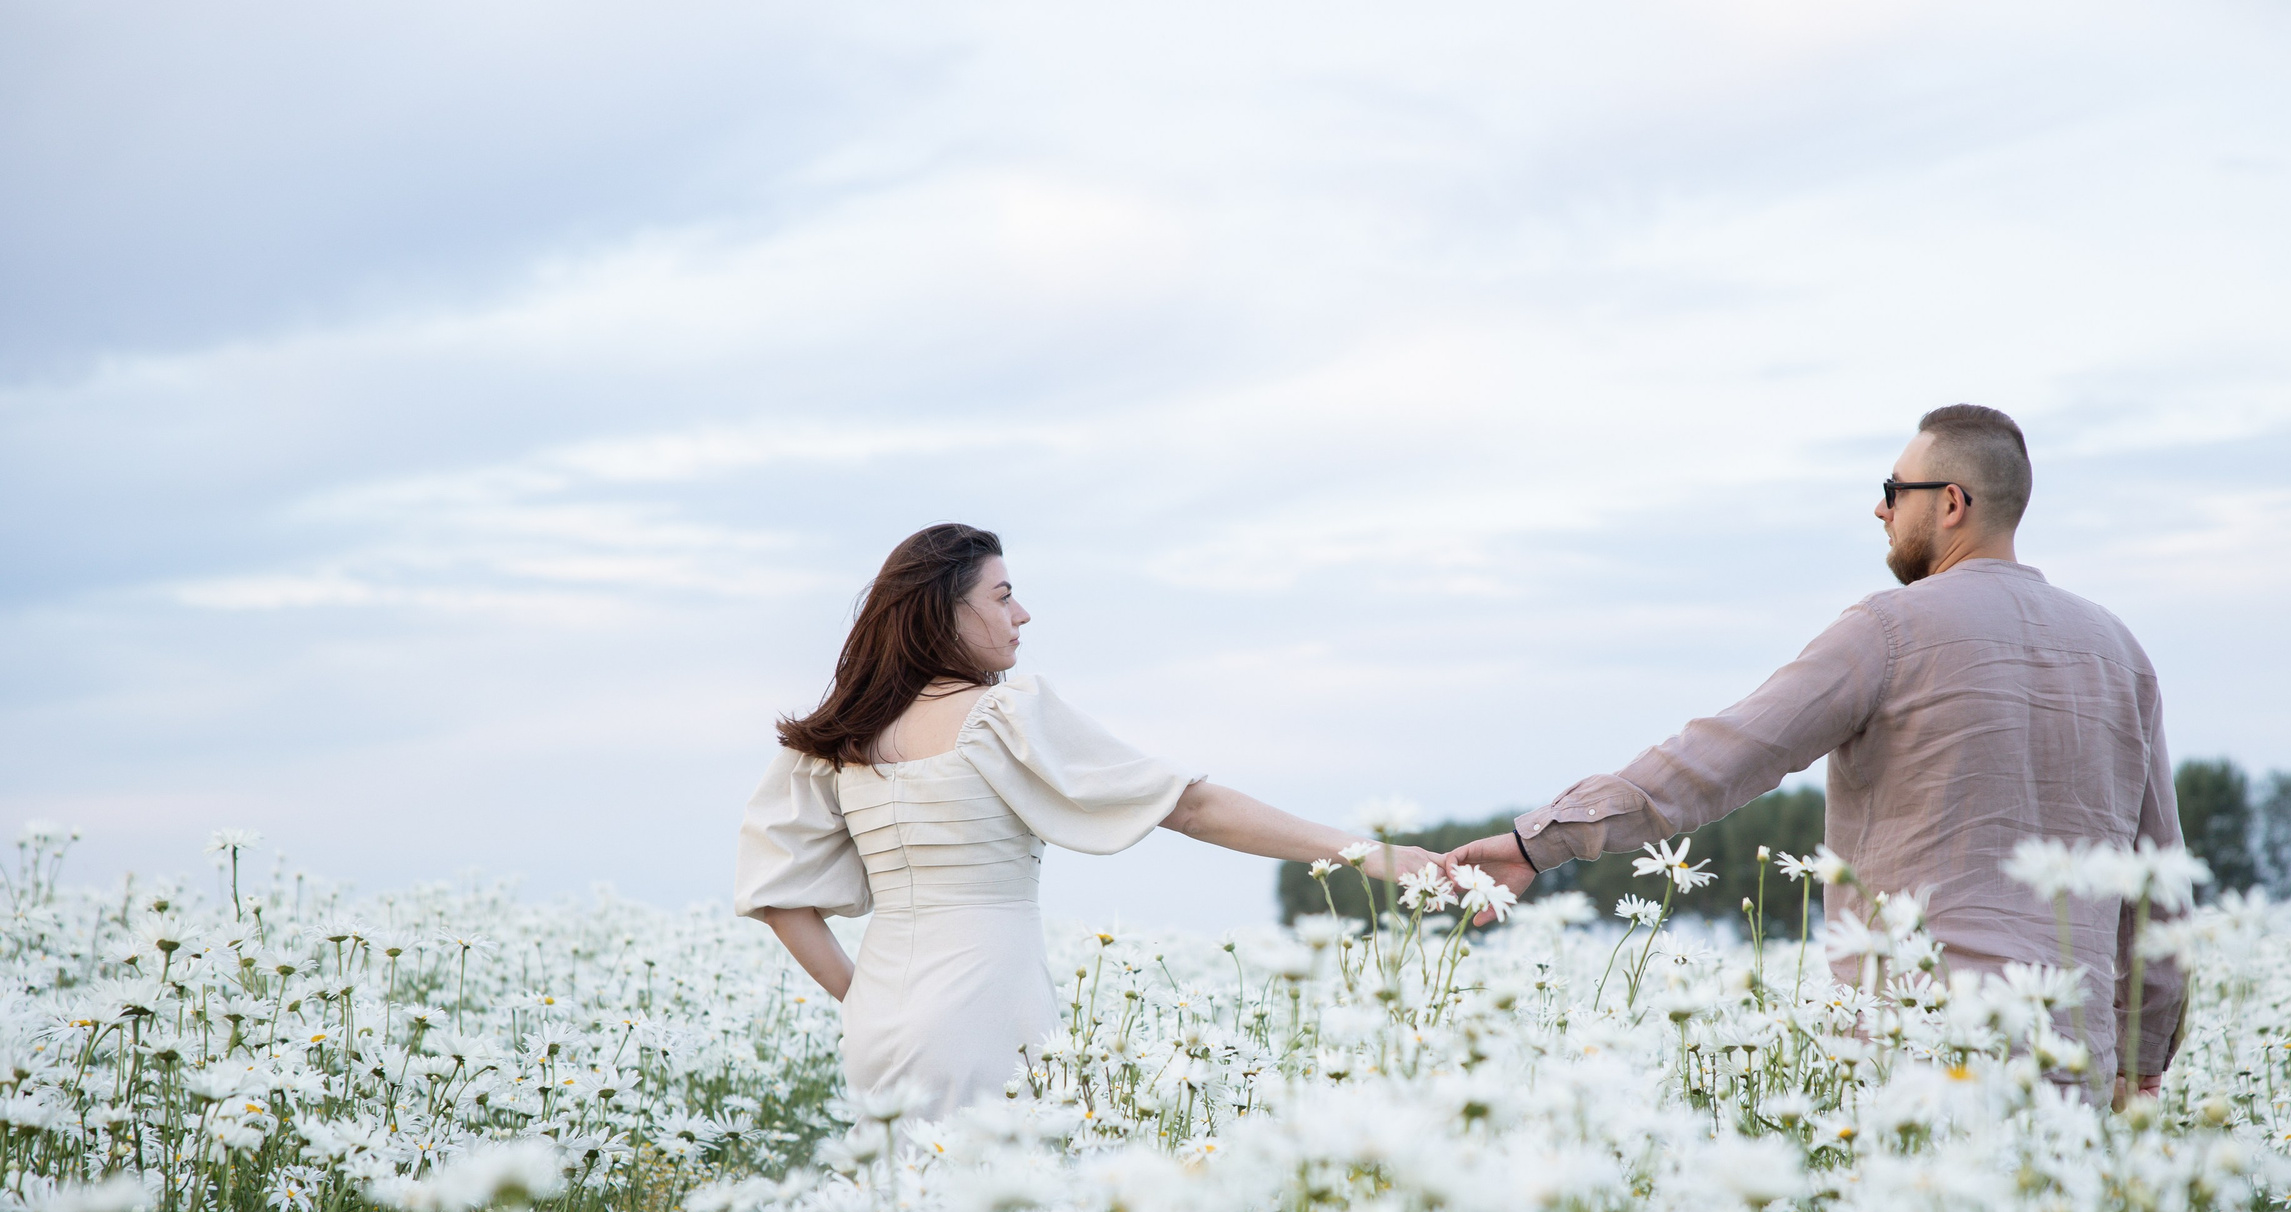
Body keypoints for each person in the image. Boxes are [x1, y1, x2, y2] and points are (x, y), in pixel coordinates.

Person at [1443, 405, 2188, 1101]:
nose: (1880, 509)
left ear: (1952, 502)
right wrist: (2141, 1060)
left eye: (1894, 490)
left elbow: (1720, 757)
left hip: (1917, 1053)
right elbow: (2159, 886)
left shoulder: (1890, 629)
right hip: (2069, 1068)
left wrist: (1540, 842)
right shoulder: (2120, 652)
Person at [736, 523, 1430, 1118]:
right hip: (986, 1005)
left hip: (881, 1021)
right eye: (1003, 597)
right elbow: (1188, 805)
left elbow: (779, 900)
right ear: (943, 613)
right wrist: (1368, 852)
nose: (1023, 615)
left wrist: (867, 998)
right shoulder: (1001, 715)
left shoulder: (841, 740)